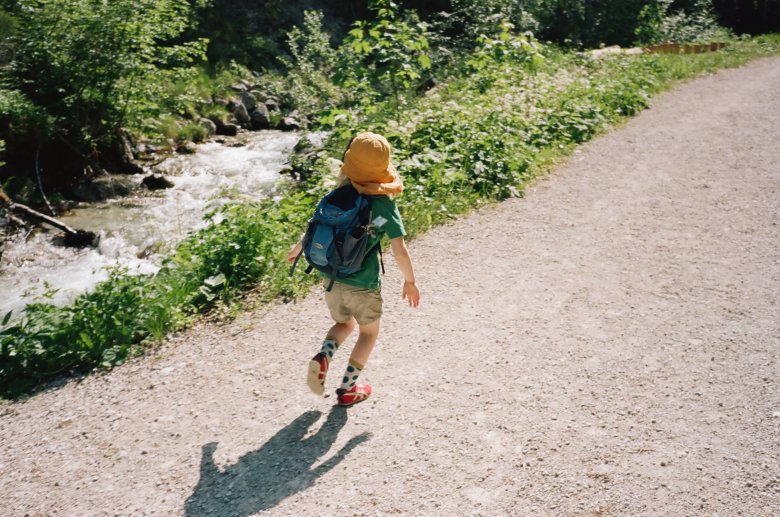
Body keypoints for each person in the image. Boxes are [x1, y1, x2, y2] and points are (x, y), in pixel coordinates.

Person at [286, 131, 420, 407]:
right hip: (364, 284)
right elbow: (399, 249)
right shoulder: (383, 206)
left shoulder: (338, 194)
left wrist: (298, 248)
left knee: (343, 323)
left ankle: (324, 355)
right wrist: (410, 281)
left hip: (332, 278)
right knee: (368, 332)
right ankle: (348, 389)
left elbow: (315, 228)